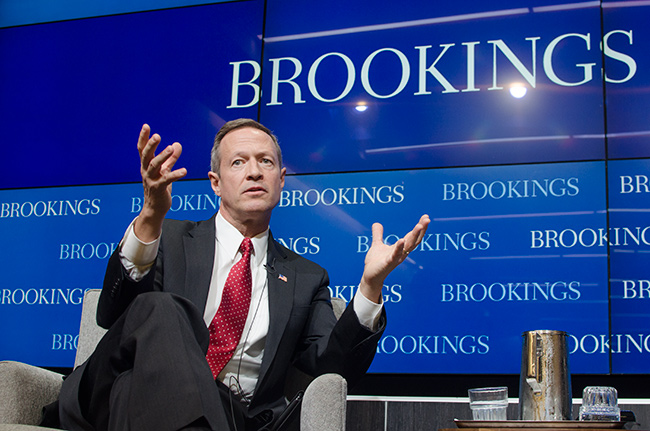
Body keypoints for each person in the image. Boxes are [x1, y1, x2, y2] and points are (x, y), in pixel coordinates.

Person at [54, 119, 430, 431]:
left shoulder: (306, 277)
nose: (253, 172)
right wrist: (151, 217)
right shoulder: (166, 237)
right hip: (103, 393)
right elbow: (113, 316)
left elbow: (331, 370)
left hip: (224, 414)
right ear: (215, 182)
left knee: (148, 396)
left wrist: (370, 287)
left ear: (281, 180)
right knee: (164, 309)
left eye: (265, 162)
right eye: (238, 163)